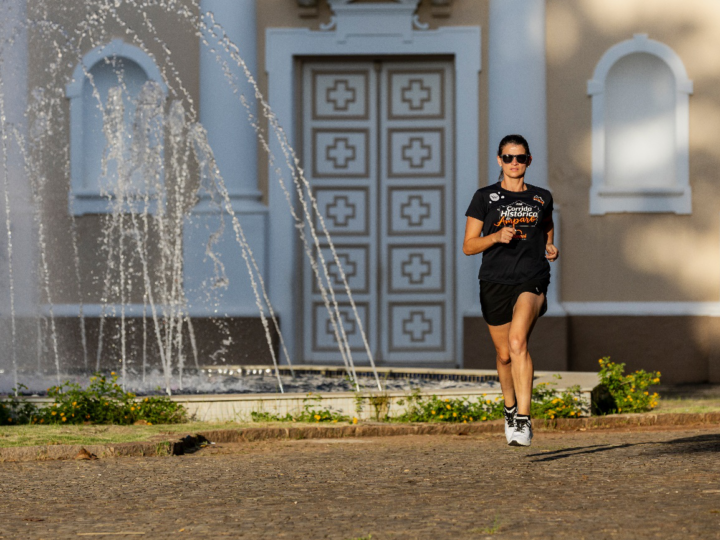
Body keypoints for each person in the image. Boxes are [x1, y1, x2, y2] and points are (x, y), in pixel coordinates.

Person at [462, 134, 558, 447]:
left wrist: (549, 245)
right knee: (504, 355)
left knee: (518, 342)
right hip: (494, 282)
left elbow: (546, 226)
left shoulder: (542, 197)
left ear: (529, 160)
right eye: (508, 158)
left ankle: (524, 420)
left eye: (520, 158)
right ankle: (509, 408)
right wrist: (495, 237)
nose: (514, 163)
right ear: (499, 160)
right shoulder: (484, 197)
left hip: (531, 278)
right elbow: (468, 246)